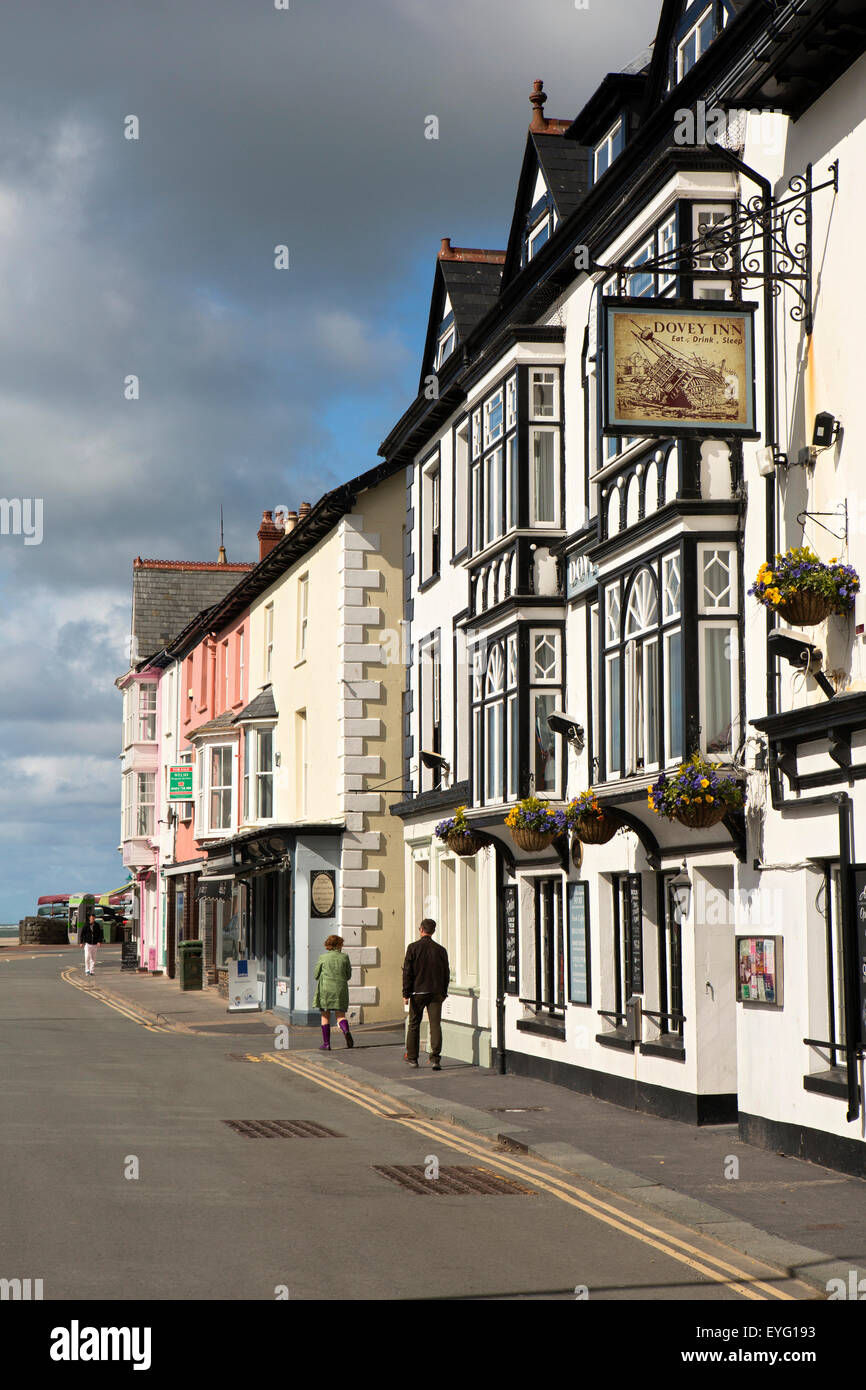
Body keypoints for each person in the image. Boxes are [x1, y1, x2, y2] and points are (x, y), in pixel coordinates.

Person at [402, 918, 450, 1071]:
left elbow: (407, 972)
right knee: (435, 1025)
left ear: (421, 929)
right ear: (433, 931)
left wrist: (406, 993)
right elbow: (446, 973)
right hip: (436, 992)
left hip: (418, 992)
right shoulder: (441, 950)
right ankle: (435, 1059)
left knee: (414, 1025)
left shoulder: (413, 948)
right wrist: (444, 991)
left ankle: (412, 1058)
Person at [313, 934, 353, 1051]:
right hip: (340, 989)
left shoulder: (323, 957)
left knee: (325, 1016)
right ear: (339, 945)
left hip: (325, 990)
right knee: (340, 1016)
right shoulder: (344, 957)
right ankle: (345, 1031)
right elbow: (348, 975)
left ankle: (327, 1044)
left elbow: (316, 975)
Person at [80, 911, 104, 976]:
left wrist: (99, 941)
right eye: (91, 918)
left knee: (93, 958)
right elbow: (82, 934)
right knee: (87, 957)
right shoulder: (86, 925)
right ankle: (87, 970)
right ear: (89, 918)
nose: (92, 920)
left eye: (93, 918)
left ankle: (92, 971)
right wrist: (81, 942)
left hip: (95, 944)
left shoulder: (97, 925)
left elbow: (100, 934)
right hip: (88, 944)